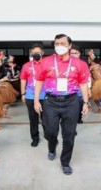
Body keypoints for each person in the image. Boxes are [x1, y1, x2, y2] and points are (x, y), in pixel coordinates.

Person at [34, 34, 90, 175]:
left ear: (70, 46)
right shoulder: (45, 62)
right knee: (50, 132)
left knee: (69, 135)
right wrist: (36, 100)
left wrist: (85, 102)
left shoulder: (79, 64)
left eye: (63, 43)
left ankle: (65, 162)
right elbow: (39, 81)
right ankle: (52, 147)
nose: (60, 46)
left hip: (71, 102)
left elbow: (83, 84)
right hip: (50, 101)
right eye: (57, 43)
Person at [20, 44, 46, 147]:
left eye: (38, 52)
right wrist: (23, 93)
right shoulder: (26, 66)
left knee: (46, 118)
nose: (36, 54)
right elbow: (23, 80)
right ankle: (35, 138)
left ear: (42, 53)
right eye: (33, 53)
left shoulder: (47, 64)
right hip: (30, 96)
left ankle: (48, 135)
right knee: (33, 119)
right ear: (31, 53)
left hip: (45, 96)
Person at [69, 45, 91, 124]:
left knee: (79, 107)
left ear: (79, 54)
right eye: (71, 53)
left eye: (76, 53)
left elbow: (87, 78)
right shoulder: (65, 64)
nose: (74, 55)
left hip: (80, 92)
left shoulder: (83, 64)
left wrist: (88, 89)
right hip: (69, 93)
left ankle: (79, 118)